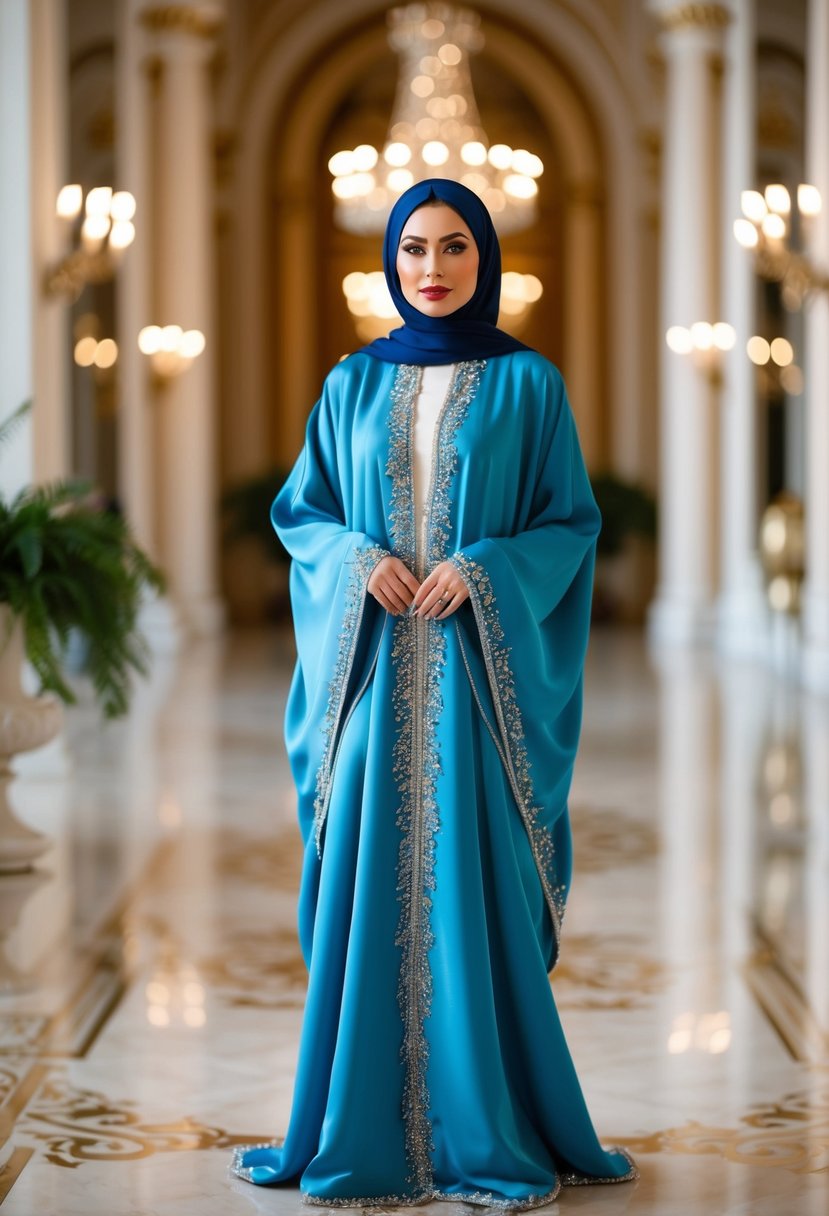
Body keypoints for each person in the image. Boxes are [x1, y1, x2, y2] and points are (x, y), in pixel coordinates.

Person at [231, 178, 638, 1208]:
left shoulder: (528, 386)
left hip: (474, 685)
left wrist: (488, 567)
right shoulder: (351, 385)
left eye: (455, 247)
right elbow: (302, 511)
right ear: (389, 261)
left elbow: (569, 522)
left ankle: (482, 1125)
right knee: (366, 876)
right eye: (413, 248)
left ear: (484, 258)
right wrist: (356, 555)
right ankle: (357, 1128)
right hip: (375, 679)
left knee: (474, 884)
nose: (432, 268)